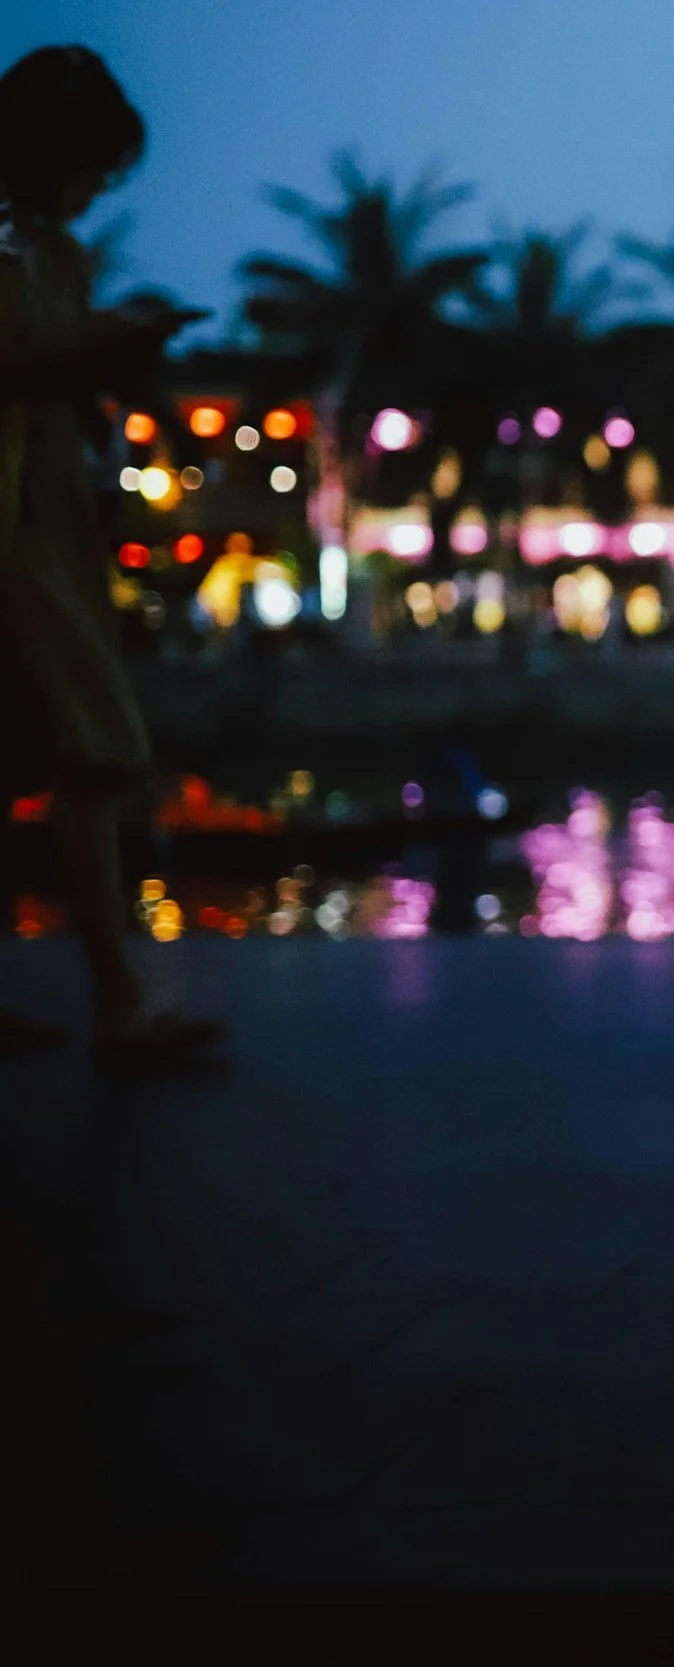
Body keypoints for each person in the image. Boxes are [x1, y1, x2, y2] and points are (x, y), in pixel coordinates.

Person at [0, 46, 218, 1063]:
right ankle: (123, 999)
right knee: (96, 751)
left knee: (80, 753)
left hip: (42, 524)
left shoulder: (46, 249)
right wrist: (105, 343)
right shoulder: (20, 247)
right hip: (22, 537)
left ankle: (121, 993)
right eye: (95, 167)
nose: (101, 191)